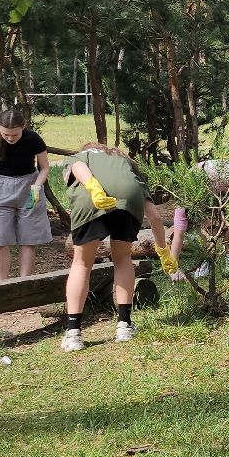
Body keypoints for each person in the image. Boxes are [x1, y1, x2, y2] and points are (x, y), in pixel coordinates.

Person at [58, 143, 173, 352]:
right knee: (122, 259)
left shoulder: (81, 155)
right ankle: (124, 326)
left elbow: (77, 168)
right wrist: (164, 251)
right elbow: (155, 216)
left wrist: (93, 186)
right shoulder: (127, 166)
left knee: (82, 263)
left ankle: (73, 333)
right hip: (129, 199)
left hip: (91, 199)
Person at [0, 106, 52, 280]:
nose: (10, 138)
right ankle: (3, 285)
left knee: (28, 240)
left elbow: (45, 167)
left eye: (14, 134)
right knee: (0, 241)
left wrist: (38, 185)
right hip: (1, 188)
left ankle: (24, 284)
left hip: (30, 186)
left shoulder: (33, 139)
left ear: (22, 127)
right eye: (6, 134)